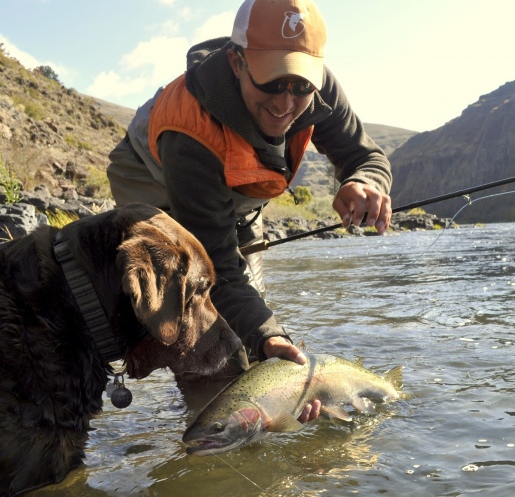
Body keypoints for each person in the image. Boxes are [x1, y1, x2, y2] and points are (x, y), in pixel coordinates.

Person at [106, 0, 392, 420]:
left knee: (253, 325)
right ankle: (207, 415)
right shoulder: (189, 131)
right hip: (158, 184)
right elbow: (217, 268)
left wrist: (364, 181)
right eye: (273, 82)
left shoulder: (317, 87)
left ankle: (252, 406)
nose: (286, 102)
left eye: (300, 85)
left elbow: (366, 156)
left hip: (238, 196)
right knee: (198, 315)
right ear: (237, 62)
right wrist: (267, 338)